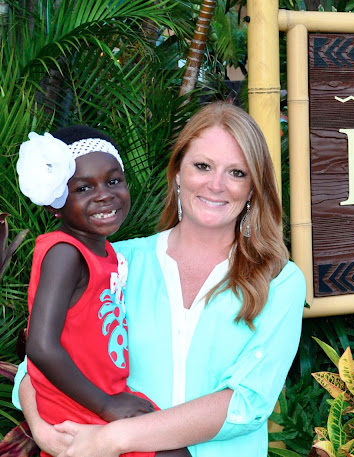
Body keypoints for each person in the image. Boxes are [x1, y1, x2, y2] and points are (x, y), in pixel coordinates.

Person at [13, 102, 307, 457]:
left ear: (253, 187)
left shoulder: (279, 280)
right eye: (202, 166)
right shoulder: (117, 263)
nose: (216, 185)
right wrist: (44, 433)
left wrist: (114, 438)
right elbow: (35, 364)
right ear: (178, 172)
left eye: (237, 173)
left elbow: (247, 403)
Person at [15, 126, 190, 457]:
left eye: (113, 181)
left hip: (101, 395)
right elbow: (40, 346)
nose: (104, 195)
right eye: (83, 187)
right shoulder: (65, 253)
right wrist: (106, 405)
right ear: (55, 202)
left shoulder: (106, 253)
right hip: (77, 404)